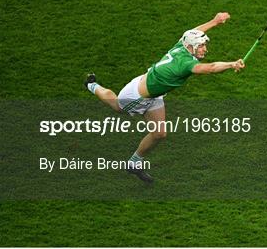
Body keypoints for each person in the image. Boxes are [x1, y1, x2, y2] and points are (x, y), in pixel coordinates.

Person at [84, 12, 244, 183]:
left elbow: (191, 32)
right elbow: (211, 68)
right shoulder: (184, 64)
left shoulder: (182, 46)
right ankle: (92, 85)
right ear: (191, 47)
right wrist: (231, 64)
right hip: (136, 96)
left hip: (154, 93)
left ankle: (134, 163)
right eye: (202, 46)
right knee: (116, 105)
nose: (205, 49)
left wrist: (215, 21)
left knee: (159, 134)